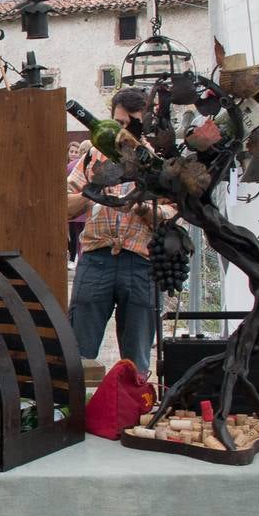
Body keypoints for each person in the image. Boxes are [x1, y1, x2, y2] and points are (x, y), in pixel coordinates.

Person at [67, 90, 171, 377]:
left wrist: (149, 210)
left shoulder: (156, 159)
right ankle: (76, 414)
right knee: (77, 354)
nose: (122, 131)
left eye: (131, 124)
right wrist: (92, 194)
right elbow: (64, 204)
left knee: (136, 360)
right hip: (96, 259)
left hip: (139, 263)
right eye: (118, 122)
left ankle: (132, 413)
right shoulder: (93, 155)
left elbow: (174, 210)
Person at [66, 140, 90, 270]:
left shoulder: (70, 166)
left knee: (76, 236)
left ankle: (76, 260)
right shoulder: (84, 164)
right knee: (83, 237)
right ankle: (80, 259)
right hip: (86, 209)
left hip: (76, 209)